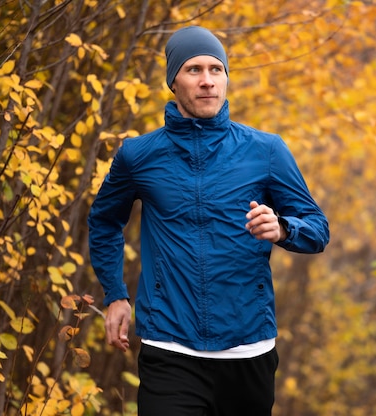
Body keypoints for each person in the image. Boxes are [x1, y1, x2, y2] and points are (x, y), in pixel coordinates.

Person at [88, 25, 329, 416]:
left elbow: (317, 227)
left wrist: (284, 228)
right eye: (194, 70)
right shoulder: (138, 155)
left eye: (216, 70)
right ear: (173, 82)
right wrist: (115, 294)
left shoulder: (265, 150)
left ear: (226, 79)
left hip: (248, 350)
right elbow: (104, 222)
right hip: (169, 348)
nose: (207, 82)